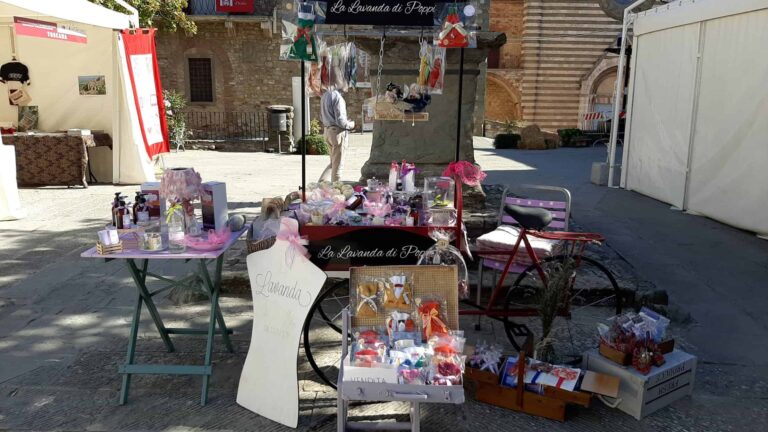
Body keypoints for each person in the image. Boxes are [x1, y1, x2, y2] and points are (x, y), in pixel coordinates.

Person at [319, 86, 355, 182]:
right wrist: (351, 124)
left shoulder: (324, 95)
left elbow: (321, 117)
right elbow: (341, 121)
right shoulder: (338, 97)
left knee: (332, 164)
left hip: (327, 131)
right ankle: (334, 189)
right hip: (337, 132)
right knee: (338, 167)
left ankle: (320, 184)